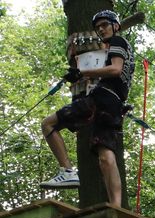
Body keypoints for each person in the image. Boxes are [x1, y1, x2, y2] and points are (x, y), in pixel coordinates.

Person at [40, 10, 135, 207]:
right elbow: (115, 71)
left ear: (115, 26)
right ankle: (116, 206)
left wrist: (81, 73)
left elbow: (115, 70)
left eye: (104, 25)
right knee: (105, 156)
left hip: (101, 99)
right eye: (98, 27)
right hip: (114, 104)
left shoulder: (118, 42)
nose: (101, 29)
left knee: (48, 124)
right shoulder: (122, 49)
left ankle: (67, 171)